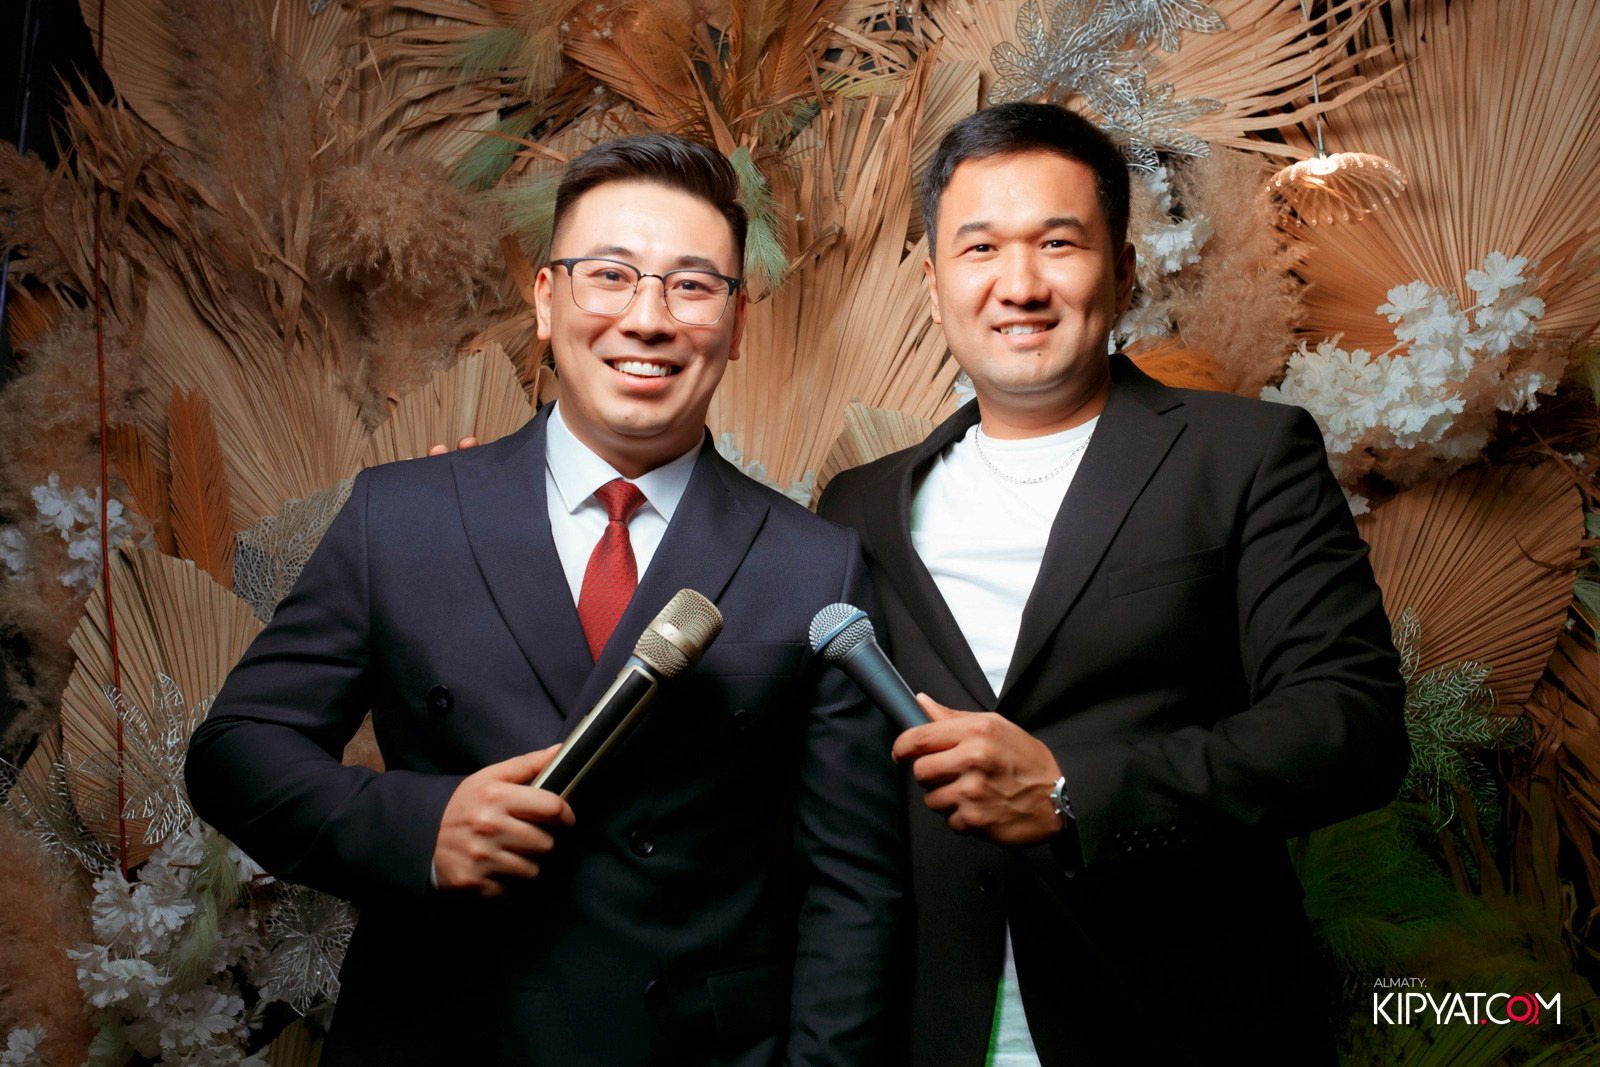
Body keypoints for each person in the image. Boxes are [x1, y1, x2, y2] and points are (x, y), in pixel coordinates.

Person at [186, 134, 906, 1067]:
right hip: (441, 1038)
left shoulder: (814, 565)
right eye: (610, 275)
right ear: (544, 300)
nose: (647, 318)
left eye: (692, 286)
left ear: (736, 326)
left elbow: (854, 891)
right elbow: (236, 751)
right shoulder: (400, 516)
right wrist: (421, 827)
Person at [816, 102, 1408, 1065]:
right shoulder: (857, 504)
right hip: (931, 1030)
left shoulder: (1245, 455)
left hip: (1188, 1025)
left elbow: (1352, 728)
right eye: (979, 249)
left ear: (1123, 268)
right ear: (934, 285)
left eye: (1058, 243)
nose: (1020, 285)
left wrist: (1072, 790)